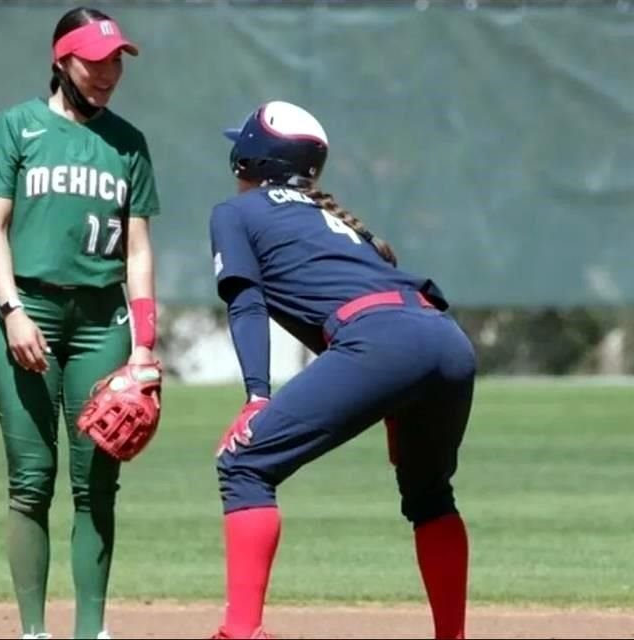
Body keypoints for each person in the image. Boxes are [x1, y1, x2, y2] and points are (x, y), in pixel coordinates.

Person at [208, 101, 476, 640]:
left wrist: (257, 396)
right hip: (446, 339)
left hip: (383, 341)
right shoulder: (331, 218)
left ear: (248, 160)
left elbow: (246, 303)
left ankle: (240, 632)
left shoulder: (235, 212)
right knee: (429, 496)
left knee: (244, 465)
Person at [0, 7, 161, 639]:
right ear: (62, 60)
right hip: (28, 313)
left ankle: (92, 631)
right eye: (93, 60)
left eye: (115, 61)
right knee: (32, 479)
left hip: (101, 320)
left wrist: (145, 345)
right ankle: (33, 632)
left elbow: (136, 251)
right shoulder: (17, 128)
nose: (107, 72)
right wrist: (13, 311)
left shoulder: (128, 143)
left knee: (96, 481)